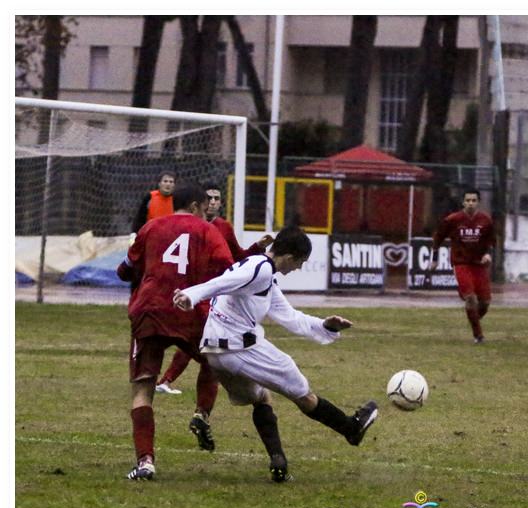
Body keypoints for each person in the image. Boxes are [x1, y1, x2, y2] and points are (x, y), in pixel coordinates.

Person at [172, 226, 378, 482]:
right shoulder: (260, 269)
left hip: (215, 352)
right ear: (290, 257)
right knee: (304, 396)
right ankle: (351, 428)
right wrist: (191, 295)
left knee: (261, 397)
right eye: (300, 263)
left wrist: (326, 326)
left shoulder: (262, 272)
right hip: (240, 348)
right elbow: (220, 283)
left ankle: (278, 462)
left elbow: (289, 317)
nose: (299, 269)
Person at [117, 185, 233, 480]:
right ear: (195, 206)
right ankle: (201, 413)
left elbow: (125, 268)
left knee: (143, 387)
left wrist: (140, 272)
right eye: (206, 206)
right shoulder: (207, 231)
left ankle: (145, 461)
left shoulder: (151, 227)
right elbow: (227, 269)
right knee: (213, 361)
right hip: (188, 310)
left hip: (151, 310)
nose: (208, 210)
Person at [155, 186, 274, 395]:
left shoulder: (223, 227)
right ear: (198, 202)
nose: (212, 202)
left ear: (221, 202)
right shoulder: (188, 225)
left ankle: (164, 381)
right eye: (208, 198)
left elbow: (237, 257)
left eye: (216, 198)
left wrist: (257, 247)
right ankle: (166, 382)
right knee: (199, 343)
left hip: (213, 296)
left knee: (200, 341)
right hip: (188, 291)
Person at [429, 188, 495, 344]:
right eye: (468, 200)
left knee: (485, 303)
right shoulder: (453, 219)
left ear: (478, 202)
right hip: (461, 263)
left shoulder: (486, 220)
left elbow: (491, 242)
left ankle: (473, 318)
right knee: (471, 298)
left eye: (474, 200)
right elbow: (438, 238)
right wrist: (435, 259)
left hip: (479, 265)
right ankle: (478, 336)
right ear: (463, 202)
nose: (470, 203)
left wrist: (487, 254)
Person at [131, 171, 177, 236]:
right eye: (165, 181)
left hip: (171, 236)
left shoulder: (177, 199)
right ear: (159, 183)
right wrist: (134, 233)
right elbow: (140, 218)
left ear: (174, 185)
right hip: (151, 235)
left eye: (171, 182)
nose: (168, 184)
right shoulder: (150, 197)